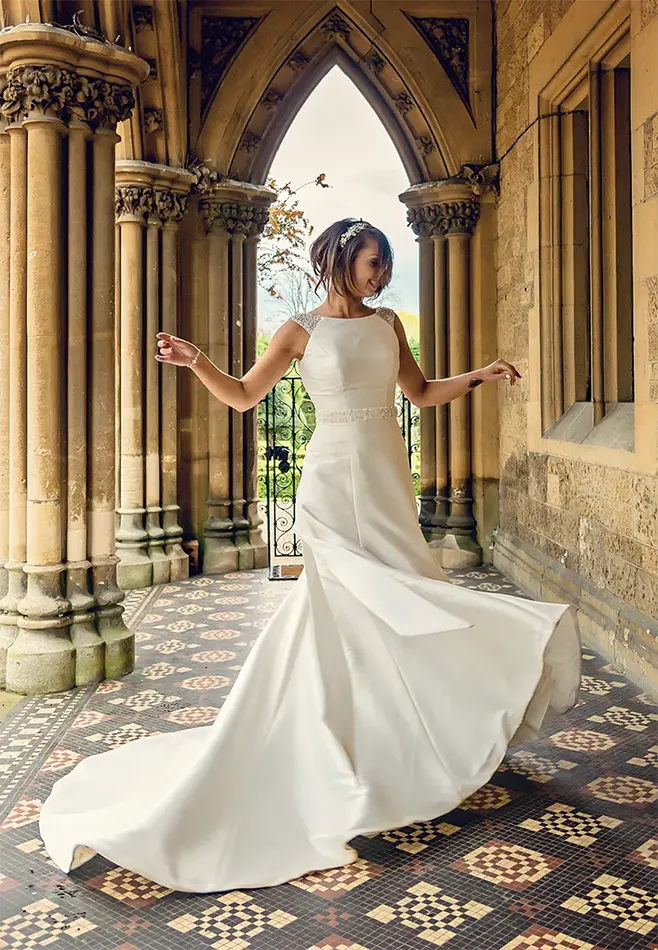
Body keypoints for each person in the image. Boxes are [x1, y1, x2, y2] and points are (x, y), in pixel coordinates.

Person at [39, 217, 580, 894]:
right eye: (372, 263)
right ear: (340, 259)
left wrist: (483, 374)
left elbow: (420, 393)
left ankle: (402, 736)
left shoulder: (387, 325)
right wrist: (196, 360)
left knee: (409, 592)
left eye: (385, 264)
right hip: (329, 482)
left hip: (385, 480)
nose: (380, 275)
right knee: (352, 605)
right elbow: (243, 396)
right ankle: (343, 747)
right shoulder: (300, 330)